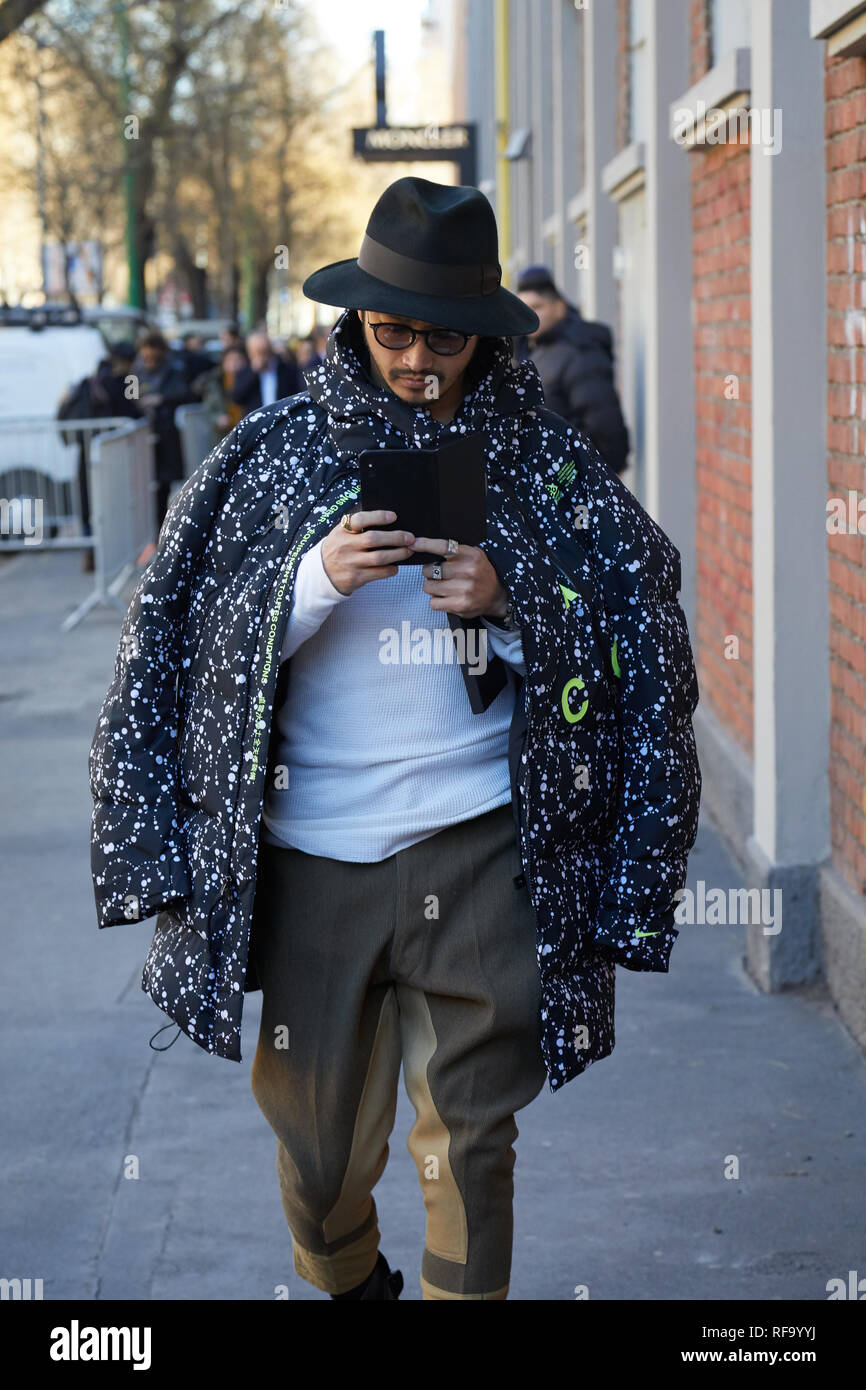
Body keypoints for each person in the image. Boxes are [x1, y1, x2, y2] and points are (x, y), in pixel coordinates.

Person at [88, 176, 701, 1301]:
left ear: (485, 336)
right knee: (319, 1156)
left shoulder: (542, 459)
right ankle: (353, 1280)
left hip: (479, 845)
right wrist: (309, 583)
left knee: (470, 1141)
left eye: (446, 340)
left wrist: (515, 600)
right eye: (393, 333)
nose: (418, 361)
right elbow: (175, 644)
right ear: (354, 319)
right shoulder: (268, 451)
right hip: (314, 850)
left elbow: (641, 626)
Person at [514, 265, 630, 476]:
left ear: (559, 308)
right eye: (523, 308)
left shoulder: (580, 352)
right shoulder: (528, 349)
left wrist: (576, 481)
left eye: (537, 306)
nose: (529, 315)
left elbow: (606, 429)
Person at [58, 340, 141, 571]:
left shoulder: (89, 380)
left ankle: (90, 552)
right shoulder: (130, 380)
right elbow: (133, 411)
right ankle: (115, 556)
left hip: (87, 451)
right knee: (115, 502)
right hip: (114, 451)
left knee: (88, 503)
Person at [132, 330, 195, 531]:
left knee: (163, 483)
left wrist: (162, 399)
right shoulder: (136, 371)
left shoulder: (173, 369)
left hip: (165, 433)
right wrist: (139, 401)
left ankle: (161, 528)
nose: (149, 357)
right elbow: (128, 397)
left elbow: (184, 393)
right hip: (142, 435)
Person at [231, 331, 303, 416]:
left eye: (264, 351)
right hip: (257, 422)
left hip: (282, 419)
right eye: (257, 352)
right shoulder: (244, 372)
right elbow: (237, 398)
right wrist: (253, 372)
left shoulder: (286, 369)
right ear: (249, 353)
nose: (261, 356)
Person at [200, 345, 249, 438]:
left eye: (238, 360)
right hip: (225, 435)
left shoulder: (252, 380)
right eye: (230, 360)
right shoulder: (215, 382)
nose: (234, 364)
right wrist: (218, 418)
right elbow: (209, 410)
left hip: (248, 431)